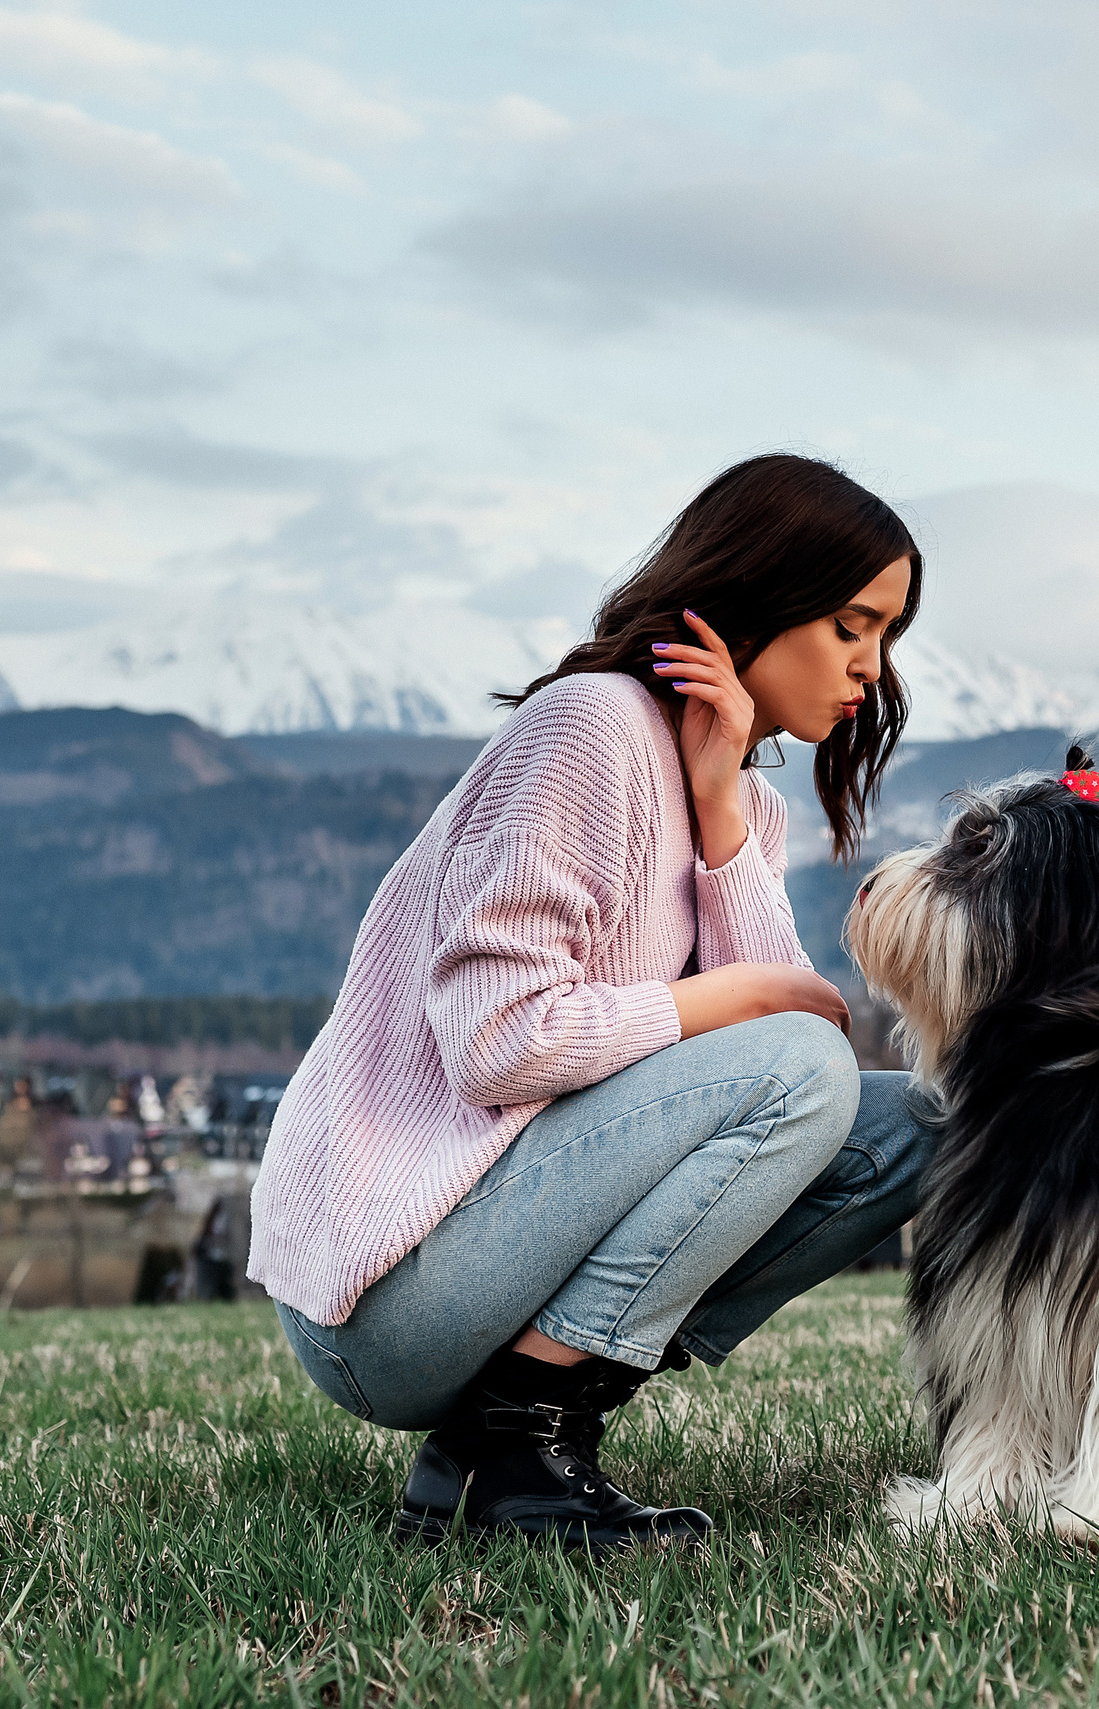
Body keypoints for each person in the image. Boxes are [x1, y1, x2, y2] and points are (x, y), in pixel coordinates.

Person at [248, 454, 930, 1550]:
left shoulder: (737, 794)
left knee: (920, 1123)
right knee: (804, 1074)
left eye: (886, 635)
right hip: (388, 1293)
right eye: (852, 625)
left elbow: (790, 1027)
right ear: (759, 593)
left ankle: (526, 1424)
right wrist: (724, 994)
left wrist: (720, 815)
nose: (870, 666)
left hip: (508, 1250)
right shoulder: (590, 728)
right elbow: (498, 1044)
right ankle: (509, 1446)